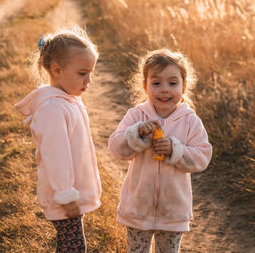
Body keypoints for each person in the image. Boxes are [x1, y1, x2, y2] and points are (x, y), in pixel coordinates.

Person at [108, 48, 212, 253]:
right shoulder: (136, 116)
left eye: (172, 83)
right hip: (138, 207)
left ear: (184, 87)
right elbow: (116, 148)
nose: (164, 89)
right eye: (156, 83)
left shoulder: (190, 121)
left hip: (173, 210)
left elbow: (202, 157)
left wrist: (176, 150)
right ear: (145, 86)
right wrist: (136, 134)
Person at [14, 26, 101, 252]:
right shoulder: (52, 108)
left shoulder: (67, 100)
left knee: (70, 247)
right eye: (82, 73)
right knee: (73, 248)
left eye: (91, 72)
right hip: (64, 196)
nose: (89, 80)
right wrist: (65, 194)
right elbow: (56, 156)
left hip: (70, 193)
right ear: (56, 69)